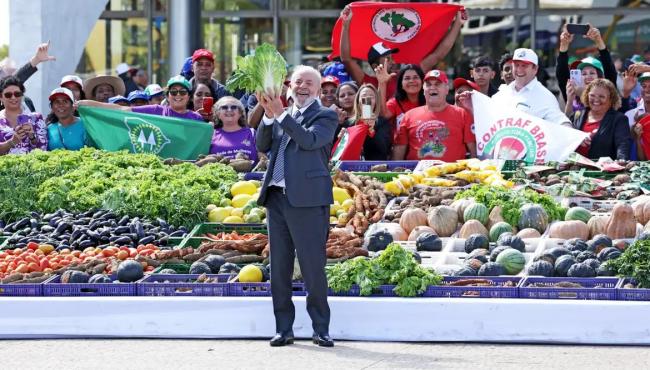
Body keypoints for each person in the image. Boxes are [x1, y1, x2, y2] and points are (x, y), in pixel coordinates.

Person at [255, 65, 336, 348]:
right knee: (279, 268)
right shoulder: (280, 114)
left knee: (313, 268)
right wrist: (267, 114)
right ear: (290, 86)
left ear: (318, 89)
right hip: (276, 199)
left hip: (307, 201)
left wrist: (279, 113)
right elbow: (262, 144)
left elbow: (309, 140)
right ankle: (283, 328)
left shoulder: (325, 115)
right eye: (298, 81)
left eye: (309, 83)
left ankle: (321, 328)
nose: (303, 87)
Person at [339, 5, 465, 100]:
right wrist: (346, 25)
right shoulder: (368, 83)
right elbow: (346, 59)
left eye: (392, 57)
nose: (393, 62)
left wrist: (458, 24)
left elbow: (438, 55)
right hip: (381, 134)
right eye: (388, 59)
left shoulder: (407, 77)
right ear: (375, 66)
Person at [393, 70, 476, 161]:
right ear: (423, 90)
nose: (432, 87)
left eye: (437, 84)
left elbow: (473, 150)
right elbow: (399, 149)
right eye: (428, 84)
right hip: (417, 173)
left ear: (447, 89)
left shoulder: (462, 114)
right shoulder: (408, 116)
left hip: (453, 173)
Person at [490, 48, 571, 125]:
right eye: (516, 65)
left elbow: (560, 121)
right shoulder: (501, 94)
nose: (519, 69)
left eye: (524, 66)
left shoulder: (545, 97)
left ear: (535, 69)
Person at [78, 76, 203, 121]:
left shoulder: (196, 118)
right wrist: (87, 103)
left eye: (182, 92)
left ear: (189, 96)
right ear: (168, 96)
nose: (178, 95)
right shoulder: (156, 110)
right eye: (174, 92)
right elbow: (121, 109)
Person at [557, 24, 617, 106]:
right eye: (584, 74)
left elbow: (609, 69)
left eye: (592, 73)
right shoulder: (572, 94)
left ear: (600, 76)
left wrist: (599, 41)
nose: (588, 76)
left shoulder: (608, 92)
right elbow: (561, 74)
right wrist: (564, 45)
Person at [570, 78, 630, 160]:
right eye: (592, 95)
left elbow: (623, 145)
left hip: (602, 170)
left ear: (611, 99)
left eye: (601, 96)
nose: (596, 99)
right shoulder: (577, 115)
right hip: (574, 168)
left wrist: (621, 161)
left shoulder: (619, 119)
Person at [333, 84, 391, 160]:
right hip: (351, 168)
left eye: (371, 96)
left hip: (373, 167)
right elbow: (335, 151)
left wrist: (371, 130)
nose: (367, 98)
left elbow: (383, 148)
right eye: (363, 96)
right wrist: (341, 139)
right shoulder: (348, 124)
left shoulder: (382, 122)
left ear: (376, 101)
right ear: (358, 101)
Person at [0, 76, 47, 155]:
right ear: (1, 97)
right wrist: (12, 142)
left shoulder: (36, 118)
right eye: (8, 95)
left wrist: (32, 137)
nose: (13, 97)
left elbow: (43, 150)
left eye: (17, 94)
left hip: (30, 166)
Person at [376, 64, 424, 140]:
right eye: (407, 78)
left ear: (422, 82)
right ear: (401, 84)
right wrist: (382, 83)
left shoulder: (430, 102)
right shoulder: (395, 102)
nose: (411, 81)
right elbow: (383, 114)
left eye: (415, 77)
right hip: (399, 148)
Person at [209, 96, 257, 162]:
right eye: (224, 107)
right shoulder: (210, 134)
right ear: (218, 114)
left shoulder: (252, 133)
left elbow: (263, 157)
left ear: (240, 113)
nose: (229, 110)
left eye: (234, 107)